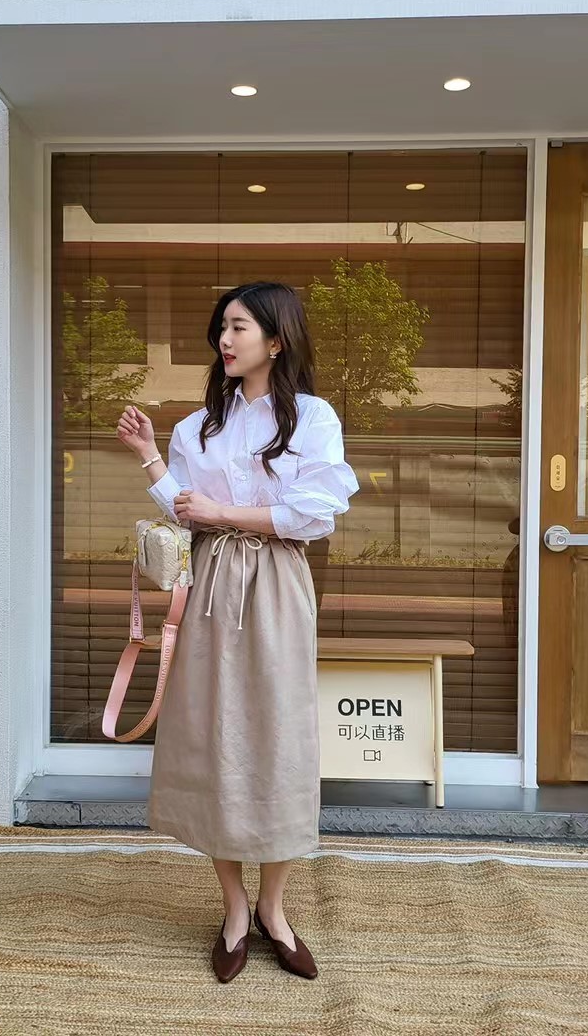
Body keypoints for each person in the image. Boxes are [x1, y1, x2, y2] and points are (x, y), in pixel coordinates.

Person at [115, 281, 359, 983]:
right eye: (222, 326)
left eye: (240, 327)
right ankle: (232, 910)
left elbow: (313, 515)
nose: (225, 339)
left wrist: (224, 512)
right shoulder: (198, 426)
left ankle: (274, 910)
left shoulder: (312, 418)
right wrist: (149, 454)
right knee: (214, 732)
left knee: (280, 737)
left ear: (276, 340)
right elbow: (187, 510)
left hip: (277, 583)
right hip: (213, 581)